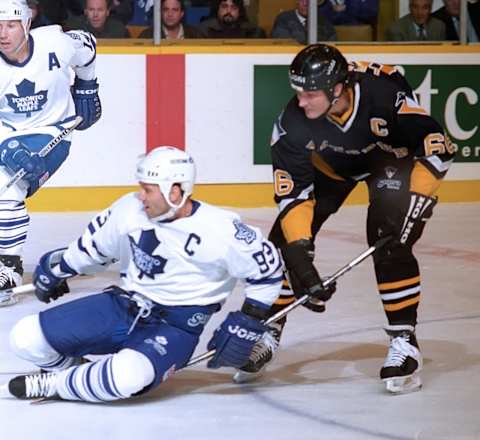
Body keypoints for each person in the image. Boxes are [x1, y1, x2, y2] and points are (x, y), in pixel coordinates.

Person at [234, 44, 455, 394]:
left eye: (309, 94)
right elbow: (294, 198)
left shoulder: (384, 97)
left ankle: (405, 342)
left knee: (389, 242)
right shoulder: (292, 123)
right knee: (280, 246)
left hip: (388, 162)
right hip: (330, 168)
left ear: (337, 89)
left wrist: (417, 205)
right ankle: (269, 330)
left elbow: (438, 146)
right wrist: (301, 260)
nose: (300, 102)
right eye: (298, 93)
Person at [0, 146, 283, 402]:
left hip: (175, 327)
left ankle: (55, 385)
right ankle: (78, 377)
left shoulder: (221, 229)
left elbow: (267, 272)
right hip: (123, 306)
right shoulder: (129, 209)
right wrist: (58, 268)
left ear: (175, 191)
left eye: (149, 189)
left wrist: (250, 317)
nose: (141, 196)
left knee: (128, 377)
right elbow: (93, 248)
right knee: (25, 338)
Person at [0, 0, 101, 296]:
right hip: (6, 134)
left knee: (6, 187)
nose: (3, 34)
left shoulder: (55, 43)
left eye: (11, 25)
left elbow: (89, 45)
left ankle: (9, 268)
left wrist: (87, 86)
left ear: (27, 24)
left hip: (52, 131)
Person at [271, 0, 336, 44]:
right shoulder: (283, 19)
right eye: (302, 0)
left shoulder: (324, 21)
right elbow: (283, 42)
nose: (306, 4)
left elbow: (331, 43)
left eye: (309, 1)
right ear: (297, 1)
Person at [197, 0, 265, 39]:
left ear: (239, 11)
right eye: (224, 6)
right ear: (218, 9)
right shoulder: (204, 29)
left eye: (233, 7)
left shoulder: (252, 31)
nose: (228, 11)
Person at [64, 0, 130, 38]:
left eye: (100, 10)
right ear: (86, 11)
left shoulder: (119, 30)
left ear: (107, 12)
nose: (95, 15)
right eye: (91, 9)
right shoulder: (73, 29)